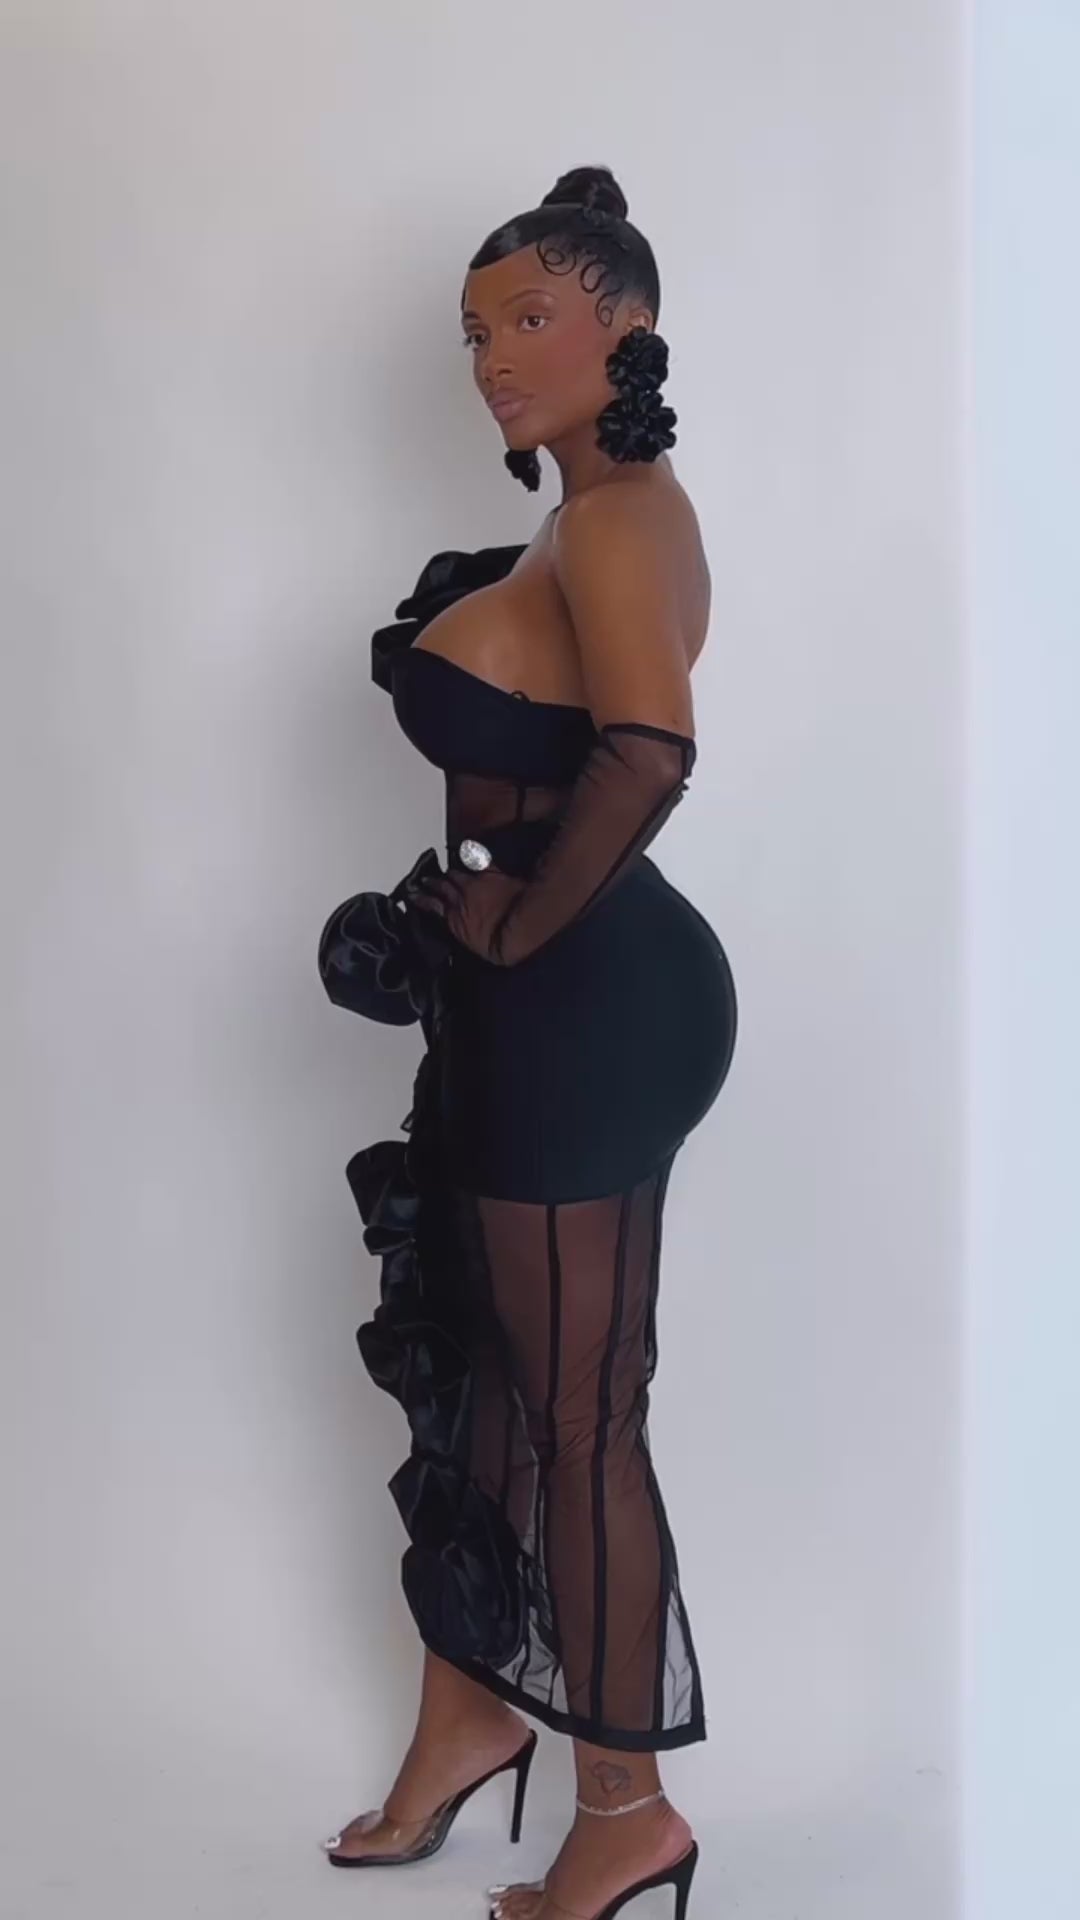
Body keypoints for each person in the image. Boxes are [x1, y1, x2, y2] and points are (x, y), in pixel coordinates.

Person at [316, 163, 738, 1920]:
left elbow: (649, 751)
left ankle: (625, 1809)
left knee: (574, 1412)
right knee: (488, 1375)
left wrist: (505, 926)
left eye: (533, 318)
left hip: (589, 1001)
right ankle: (468, 1717)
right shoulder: (580, 521)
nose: (495, 356)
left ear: (625, 329)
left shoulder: (625, 518)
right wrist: (483, 949)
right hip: (533, 1003)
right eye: (476, 330)